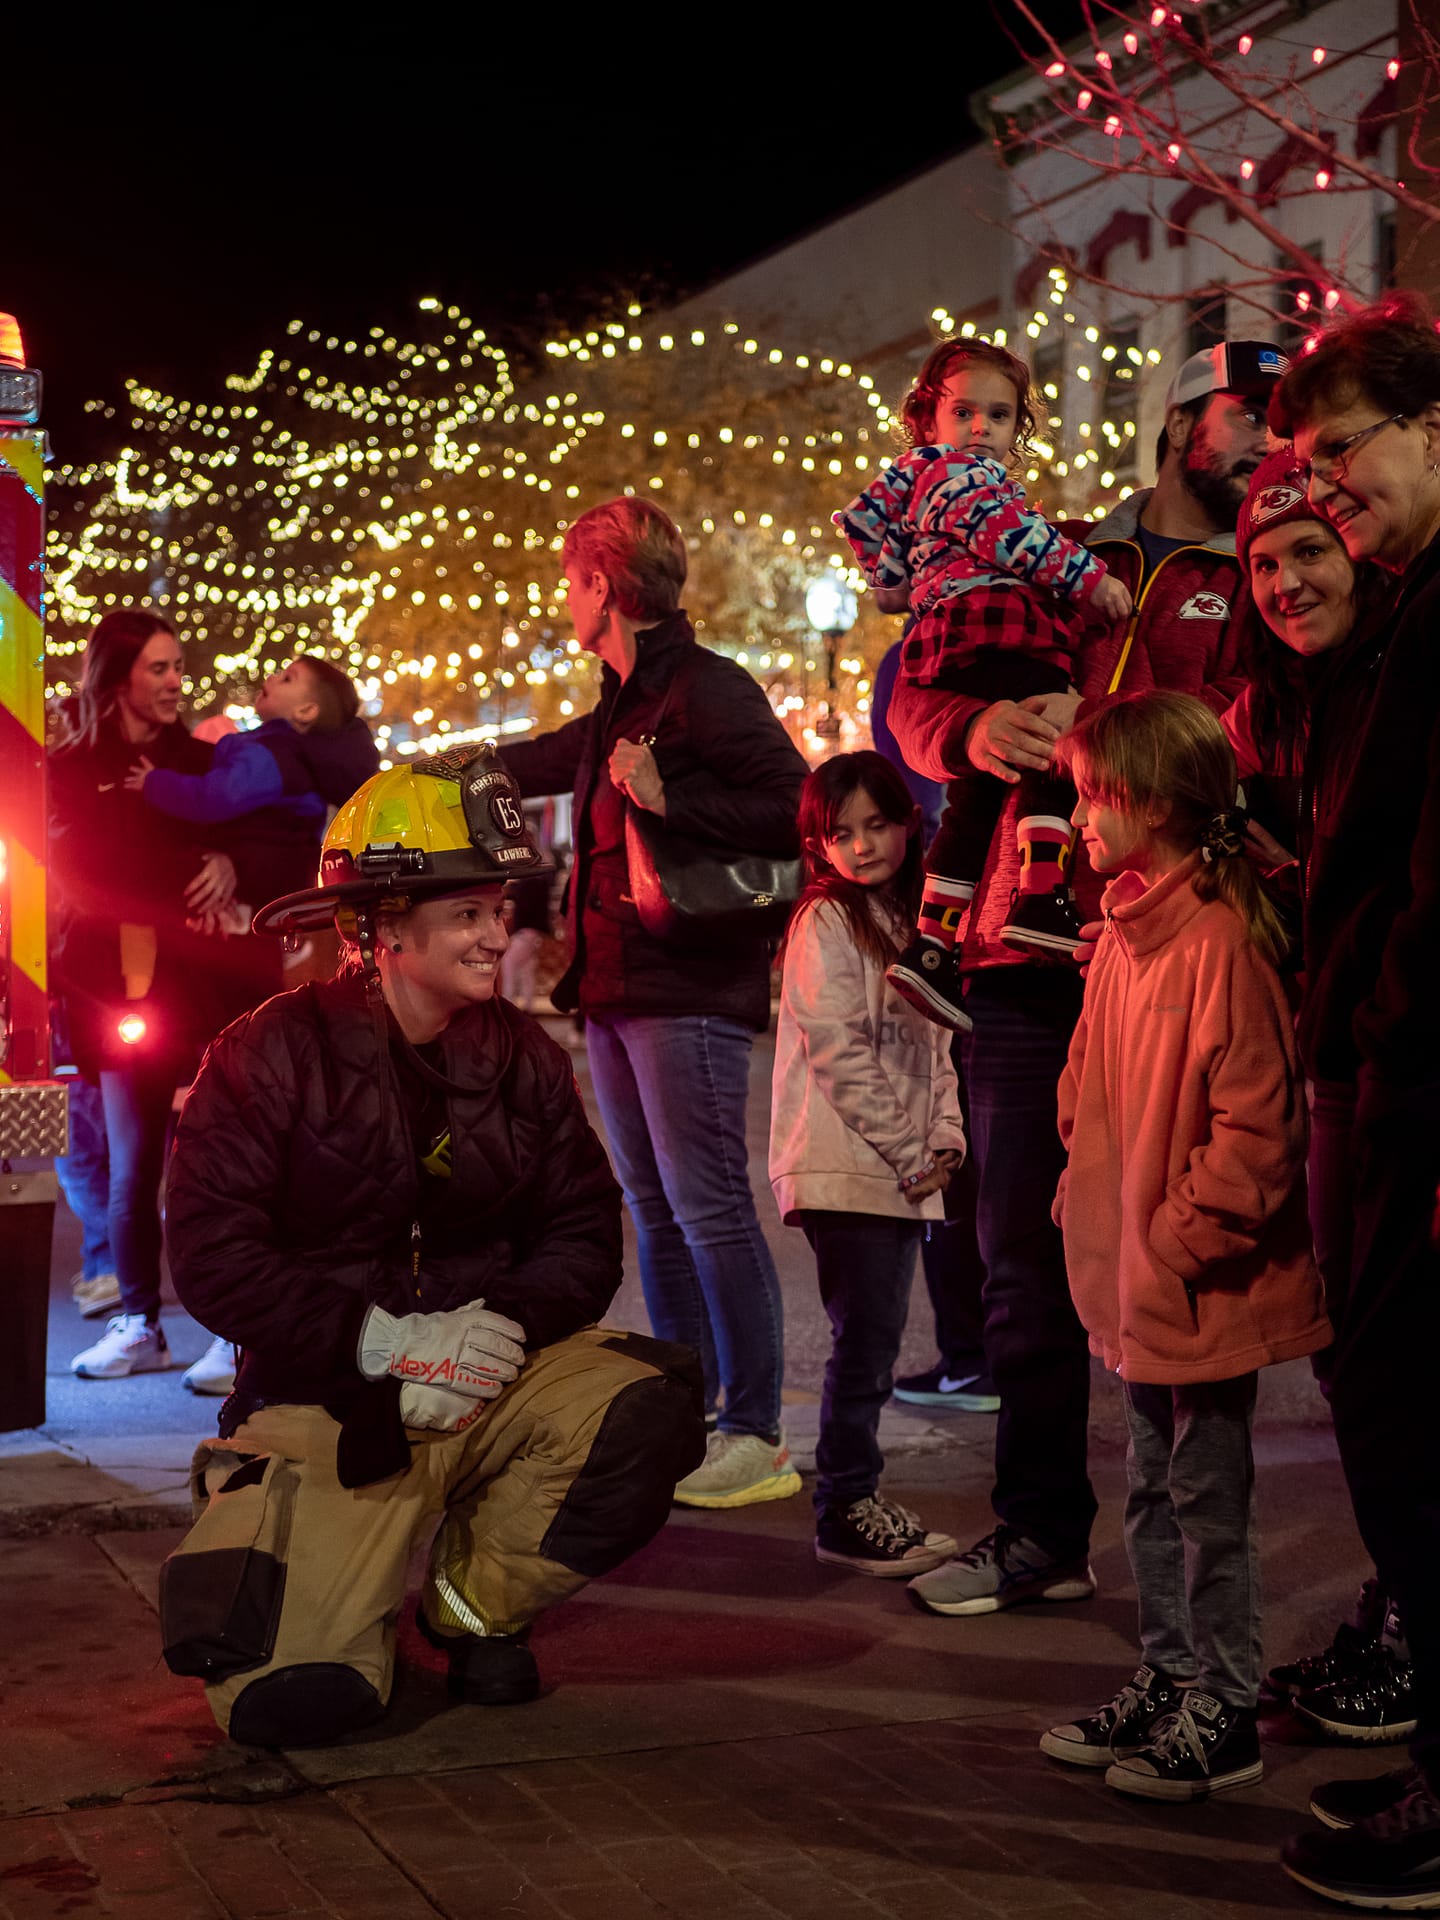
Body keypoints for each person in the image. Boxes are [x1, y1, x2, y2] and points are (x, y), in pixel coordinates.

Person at [158, 745, 704, 1746]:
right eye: (468, 913)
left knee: (646, 1401)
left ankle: (471, 1607)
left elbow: (584, 1230)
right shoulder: (266, 1053)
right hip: (329, 1404)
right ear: (382, 926)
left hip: (487, 1382)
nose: (498, 935)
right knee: (295, 1704)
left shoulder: (522, 1058)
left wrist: (492, 1332)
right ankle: (325, 1590)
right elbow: (212, 1255)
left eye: (499, 908)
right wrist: (386, 1345)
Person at [896, 338, 1279, 1620]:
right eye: (1246, 417)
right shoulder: (1055, 546)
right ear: (1181, 425)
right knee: (1016, 1257)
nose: (1266, 442)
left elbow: (1258, 733)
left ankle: (1195, 1592)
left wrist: (1134, 746)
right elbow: (919, 685)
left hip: (1168, 949)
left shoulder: (1266, 574)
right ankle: (1040, 1533)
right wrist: (967, 730)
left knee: (1176, 1253)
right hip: (1019, 950)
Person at [1039, 691, 1326, 1800]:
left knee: (1207, 1499)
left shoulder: (1218, 941)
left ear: (1155, 802)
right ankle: (1169, 1676)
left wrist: (1176, 1241)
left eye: (1092, 795)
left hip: (1195, 1288)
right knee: (1152, 1489)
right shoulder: (1125, 930)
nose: (1078, 817)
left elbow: (1259, 1128)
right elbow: (1086, 1079)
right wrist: (1085, 1189)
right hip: (1141, 1279)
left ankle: (1225, 1703)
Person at [501, 497, 808, 1510]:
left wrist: (675, 798)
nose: (565, 599)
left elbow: (795, 803)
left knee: (710, 1210)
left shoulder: (706, 689)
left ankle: (755, 1431)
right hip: (618, 990)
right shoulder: (625, 700)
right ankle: (688, 1412)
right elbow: (550, 756)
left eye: (570, 580)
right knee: (659, 1213)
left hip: (689, 990)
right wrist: (448, 767)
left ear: (603, 584)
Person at [1258, 297, 1440, 1911]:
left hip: (1418, 1089)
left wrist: (1380, 1048)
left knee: (1409, 1422)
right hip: (1384, 1069)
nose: (1327, 489)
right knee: (1391, 1419)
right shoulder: (1404, 612)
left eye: (1341, 453)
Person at [1225, 452, 1414, 1748]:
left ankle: (1411, 1633)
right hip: (1333, 1046)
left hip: (1389, 1047)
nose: (1287, 580)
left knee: (1393, 1364)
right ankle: (1398, 1604)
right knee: (1360, 1359)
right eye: (1263, 561)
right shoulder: (1276, 710)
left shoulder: (1399, 672)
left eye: (1309, 550)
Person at [838, 339, 1131, 1027]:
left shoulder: (913, 479)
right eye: (964, 412)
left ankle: (932, 944)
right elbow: (1015, 538)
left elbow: (862, 523)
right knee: (1050, 746)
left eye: (997, 416)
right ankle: (1041, 896)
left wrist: (894, 580)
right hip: (1000, 629)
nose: (980, 429)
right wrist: (1091, 581)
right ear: (927, 419)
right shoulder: (965, 478)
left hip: (954, 644)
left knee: (972, 800)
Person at [769, 751, 966, 1575]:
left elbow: (937, 1041)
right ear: (818, 845)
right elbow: (837, 1050)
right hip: (847, 1166)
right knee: (864, 1347)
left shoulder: (909, 919)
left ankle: (856, 1499)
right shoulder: (826, 919)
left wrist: (946, 1135)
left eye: (876, 825)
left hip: (894, 1168)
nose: (861, 845)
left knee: (873, 1344)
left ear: (908, 822)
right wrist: (913, 1152)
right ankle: (844, 1508)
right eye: (841, 833)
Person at [48, 609, 246, 1391]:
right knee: (132, 1171)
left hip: (204, 988)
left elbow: (264, 831)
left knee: (221, 1167)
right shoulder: (70, 765)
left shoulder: (201, 759)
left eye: (178, 667)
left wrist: (231, 861)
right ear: (118, 674)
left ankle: (231, 1333)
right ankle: (140, 1325)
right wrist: (186, 873)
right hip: (118, 991)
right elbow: (81, 871)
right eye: (158, 668)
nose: (174, 682)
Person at [870, 639, 997, 1413]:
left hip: (954, 925)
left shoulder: (924, 650)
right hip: (974, 920)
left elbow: (916, 781)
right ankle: (973, 1351)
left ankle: (972, 1354)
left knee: (953, 1159)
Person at [126, 653, 380, 913]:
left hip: (255, 895)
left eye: (287, 679)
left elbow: (215, 797)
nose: (272, 678)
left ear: (305, 711)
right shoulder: (295, 759)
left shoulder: (274, 756)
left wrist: (154, 783)